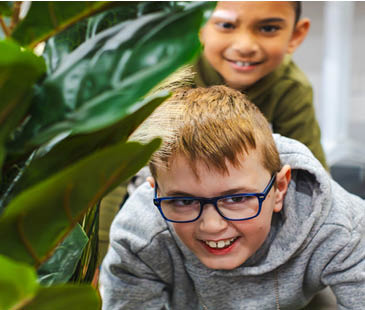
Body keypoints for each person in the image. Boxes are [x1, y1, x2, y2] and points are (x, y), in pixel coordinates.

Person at [100, 86, 365, 309]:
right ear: (155, 192)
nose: (212, 226)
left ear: (279, 189)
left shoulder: (339, 226)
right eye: (183, 201)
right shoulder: (141, 237)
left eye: (237, 199)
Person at [194, 1, 327, 169]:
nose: (245, 47)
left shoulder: (291, 88)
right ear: (197, 26)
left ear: (295, 35)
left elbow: (312, 174)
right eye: (226, 25)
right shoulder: (168, 77)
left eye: (268, 29)